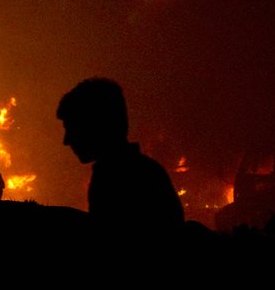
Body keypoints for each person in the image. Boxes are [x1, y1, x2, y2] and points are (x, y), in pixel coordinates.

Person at [56, 77, 184, 238]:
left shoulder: (118, 178)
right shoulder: (145, 171)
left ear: (94, 125)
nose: (66, 140)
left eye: (72, 128)